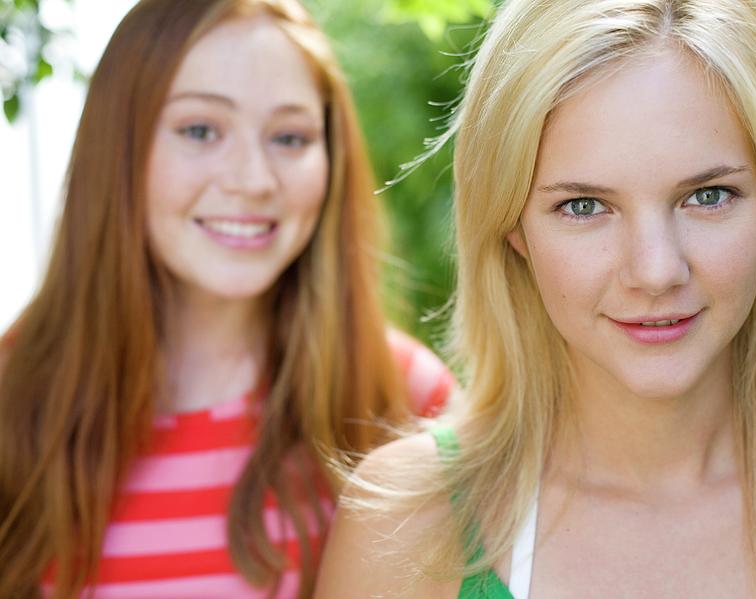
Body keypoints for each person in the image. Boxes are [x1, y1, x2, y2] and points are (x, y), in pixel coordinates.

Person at [315, 0, 756, 597]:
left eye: (709, 195)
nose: (656, 271)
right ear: (512, 225)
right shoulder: (407, 525)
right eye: (584, 206)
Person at [0, 0, 453, 597]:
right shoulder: (15, 393)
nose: (252, 179)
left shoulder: (403, 394)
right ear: (118, 150)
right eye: (200, 130)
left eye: (290, 137)